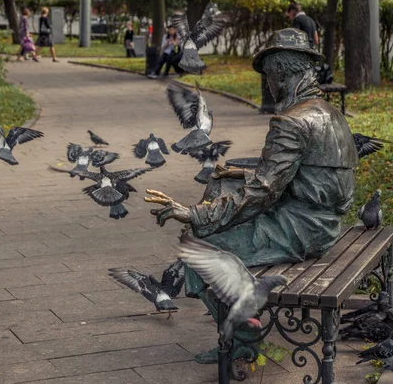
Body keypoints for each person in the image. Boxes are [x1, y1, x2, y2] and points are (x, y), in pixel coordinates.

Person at [146, 28, 358, 361]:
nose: (269, 87)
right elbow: (303, 177)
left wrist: (194, 214)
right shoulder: (330, 113)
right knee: (216, 214)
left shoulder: (292, 121)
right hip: (326, 224)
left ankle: (243, 340)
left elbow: (263, 191)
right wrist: (236, 174)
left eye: (270, 78)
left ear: (281, 74)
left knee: (198, 252)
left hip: (302, 229)